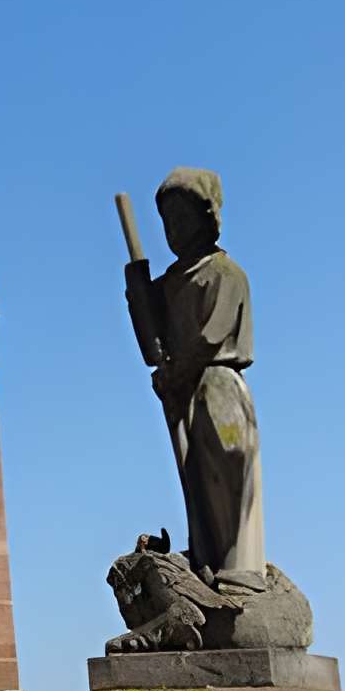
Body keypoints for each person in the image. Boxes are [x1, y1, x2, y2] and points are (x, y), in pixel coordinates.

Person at [136, 167, 266, 597]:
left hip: (218, 390)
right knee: (196, 480)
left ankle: (239, 566)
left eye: (183, 217)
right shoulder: (169, 284)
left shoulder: (225, 274)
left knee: (225, 468)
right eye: (167, 221)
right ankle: (207, 559)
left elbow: (211, 338)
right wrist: (137, 292)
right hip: (185, 393)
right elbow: (152, 340)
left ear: (208, 217)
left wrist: (175, 371)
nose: (174, 229)